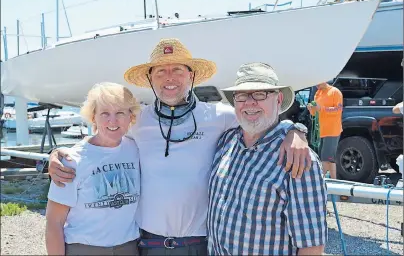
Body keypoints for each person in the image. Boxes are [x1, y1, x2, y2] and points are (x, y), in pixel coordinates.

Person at [48, 38, 311, 255]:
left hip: (199, 244)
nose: (169, 78)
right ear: (150, 78)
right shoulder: (138, 120)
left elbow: (258, 118)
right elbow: (102, 136)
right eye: (160, 71)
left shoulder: (218, 116)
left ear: (191, 76)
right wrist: (57, 154)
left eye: (178, 70)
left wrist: (295, 130)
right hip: (147, 243)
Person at [208, 63, 327, 255]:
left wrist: (295, 130)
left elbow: (311, 247)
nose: (250, 102)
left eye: (260, 94)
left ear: (278, 99)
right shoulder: (226, 141)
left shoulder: (299, 158)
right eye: (242, 95)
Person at [45, 82, 141, 256]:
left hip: (128, 248)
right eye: (105, 113)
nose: (113, 120)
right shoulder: (72, 160)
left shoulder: (136, 149)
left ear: (130, 117)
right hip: (84, 249)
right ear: (93, 117)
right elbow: (54, 222)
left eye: (120, 112)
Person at [308, 81, 343, 179]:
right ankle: (333, 180)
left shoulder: (335, 92)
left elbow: (338, 110)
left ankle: (319, 180)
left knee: (325, 158)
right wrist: (312, 109)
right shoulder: (317, 93)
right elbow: (315, 113)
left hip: (332, 130)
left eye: (319, 81)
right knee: (330, 159)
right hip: (322, 130)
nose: (317, 84)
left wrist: (321, 108)